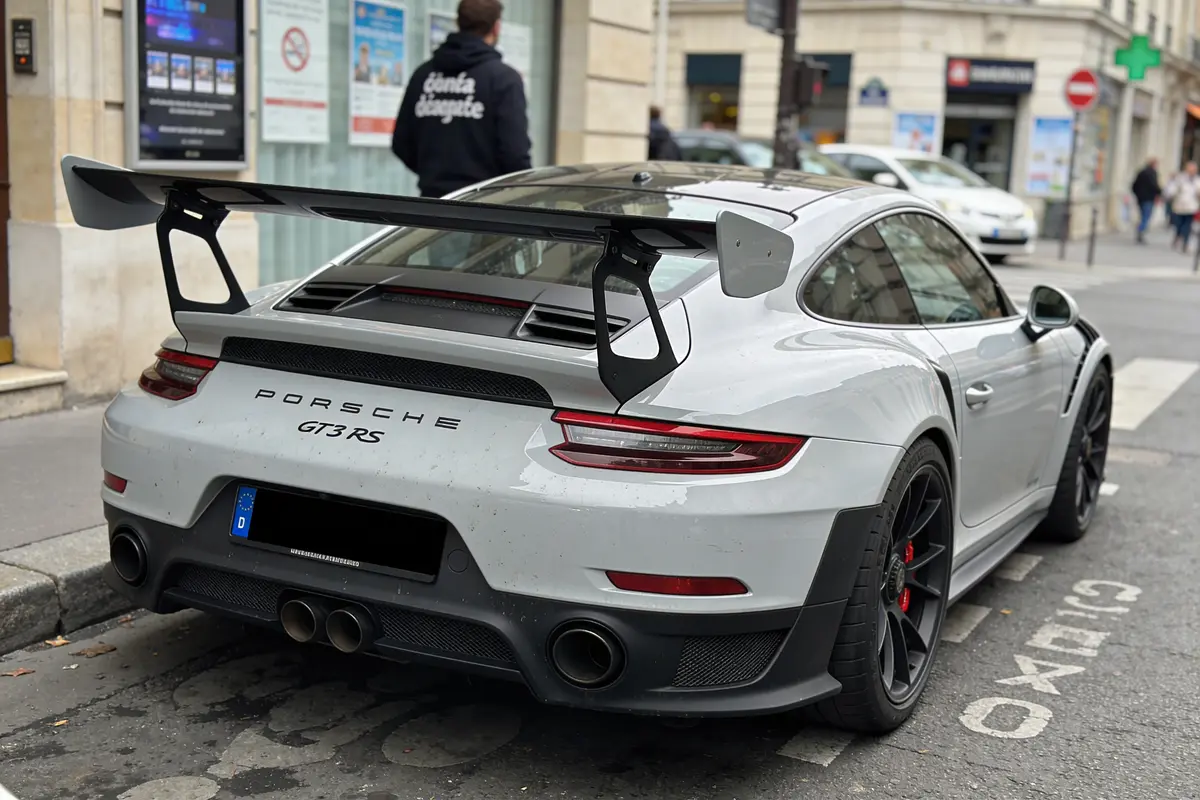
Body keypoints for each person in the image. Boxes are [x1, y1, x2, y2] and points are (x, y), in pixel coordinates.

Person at [391, 0, 531, 198]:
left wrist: (436, 175)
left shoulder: (423, 74)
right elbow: (514, 153)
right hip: (485, 206)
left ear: (458, 22)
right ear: (496, 27)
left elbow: (401, 143)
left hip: (432, 205)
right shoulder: (503, 79)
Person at [1162, 161, 1200, 251]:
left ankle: (1185, 244)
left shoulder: (1197, 180)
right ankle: (1178, 236)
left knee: (1187, 225)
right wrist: (1169, 196)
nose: (1192, 171)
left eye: (1194, 169)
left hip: (1191, 207)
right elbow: (1172, 189)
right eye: (1190, 169)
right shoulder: (1180, 178)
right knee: (1178, 224)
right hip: (1179, 206)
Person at [1130, 157, 1161, 244]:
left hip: (1141, 198)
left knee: (1143, 215)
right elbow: (1154, 185)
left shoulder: (1141, 172)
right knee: (1145, 216)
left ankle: (1140, 229)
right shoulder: (1152, 173)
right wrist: (1159, 193)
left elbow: (1134, 185)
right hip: (1148, 198)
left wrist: (1137, 194)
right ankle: (1140, 230)